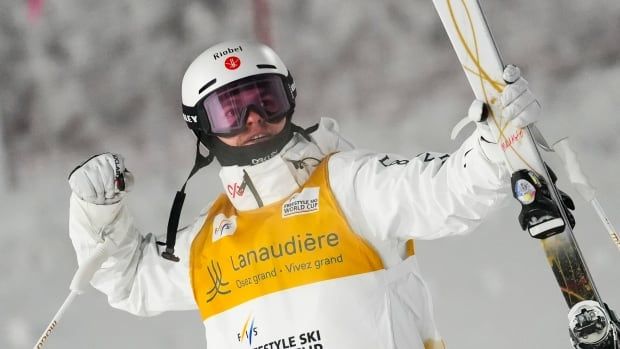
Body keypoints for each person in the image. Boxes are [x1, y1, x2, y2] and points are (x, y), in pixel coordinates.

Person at [67, 40, 541, 348]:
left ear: (289, 99)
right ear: (202, 128)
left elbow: (449, 192)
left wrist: (496, 144)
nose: (254, 119)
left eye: (265, 99)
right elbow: (128, 279)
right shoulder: (205, 244)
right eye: (231, 110)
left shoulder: (351, 186)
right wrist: (96, 211)